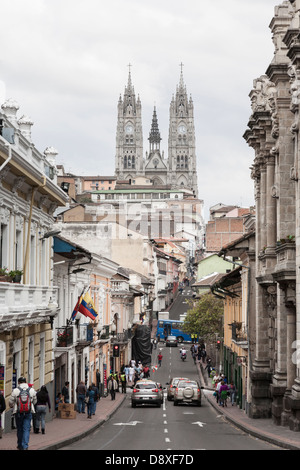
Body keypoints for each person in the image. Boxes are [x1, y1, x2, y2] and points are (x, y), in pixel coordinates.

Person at [9, 376, 37, 451]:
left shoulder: (15, 390)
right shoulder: (31, 390)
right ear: (25, 381)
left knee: (19, 429)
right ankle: (25, 446)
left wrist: (12, 406)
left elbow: (10, 402)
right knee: (26, 429)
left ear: (18, 382)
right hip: (28, 412)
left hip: (18, 412)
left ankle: (20, 445)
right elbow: (35, 401)